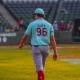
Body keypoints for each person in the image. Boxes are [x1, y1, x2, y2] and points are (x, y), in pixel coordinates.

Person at [18, 8, 57, 80]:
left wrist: (21, 44)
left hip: (36, 47)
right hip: (46, 48)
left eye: (34, 15)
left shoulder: (32, 24)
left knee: (40, 69)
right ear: (43, 15)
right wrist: (55, 52)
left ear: (36, 15)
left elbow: (25, 36)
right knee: (41, 68)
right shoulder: (49, 25)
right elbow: (52, 39)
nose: (34, 16)